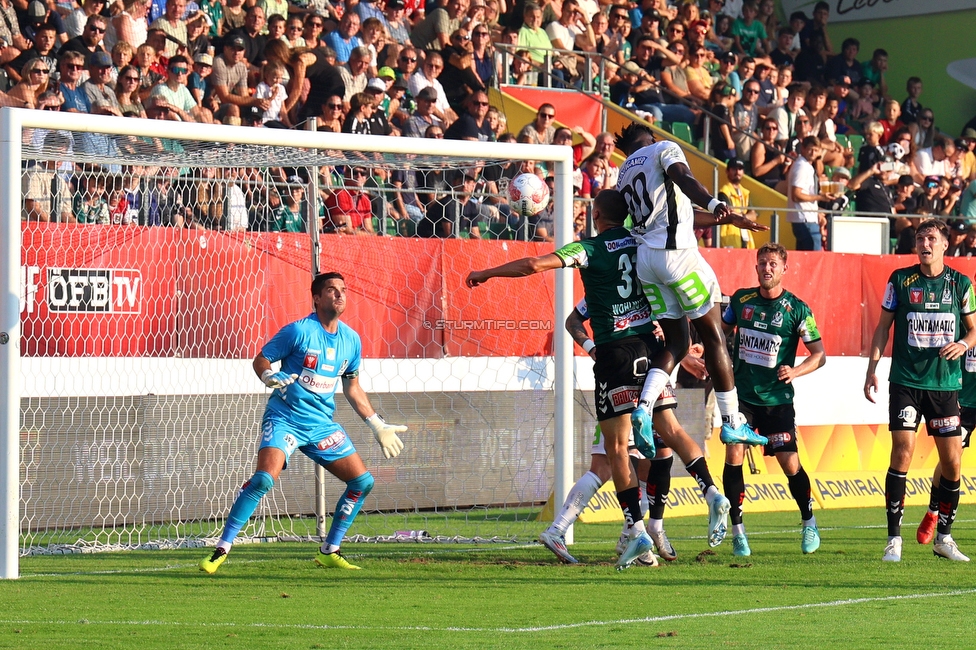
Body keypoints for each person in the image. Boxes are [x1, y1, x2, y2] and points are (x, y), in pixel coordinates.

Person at [465, 189, 732, 568]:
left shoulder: (587, 249)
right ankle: (710, 492)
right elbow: (681, 225)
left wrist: (486, 273)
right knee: (670, 431)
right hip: (650, 352)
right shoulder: (643, 241)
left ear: (595, 215)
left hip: (614, 354)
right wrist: (720, 217)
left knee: (616, 450)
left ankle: (637, 531)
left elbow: (533, 265)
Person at [200, 272, 407, 574]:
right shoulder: (298, 332)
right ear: (316, 298)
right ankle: (222, 547)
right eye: (332, 290)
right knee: (264, 479)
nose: (340, 295)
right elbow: (261, 359)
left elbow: (352, 387)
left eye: (343, 291)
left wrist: (376, 424)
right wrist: (268, 375)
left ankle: (330, 550)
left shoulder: (351, 341)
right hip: (285, 418)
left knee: (362, 482)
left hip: (321, 425)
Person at [613, 123, 770, 480]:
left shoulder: (624, 173)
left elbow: (677, 212)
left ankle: (644, 405)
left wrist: (722, 218)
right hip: (677, 255)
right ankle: (732, 422)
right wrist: (717, 202)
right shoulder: (662, 149)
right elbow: (683, 177)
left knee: (678, 342)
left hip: (647, 263)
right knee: (714, 336)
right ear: (650, 138)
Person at [864, 219, 976, 563]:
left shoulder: (960, 283)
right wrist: (872, 368)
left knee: (952, 463)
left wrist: (962, 343)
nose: (924, 243)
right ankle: (893, 540)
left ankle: (944, 537)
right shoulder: (900, 280)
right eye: (919, 238)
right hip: (906, 382)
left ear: (945, 244)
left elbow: (975, 331)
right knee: (902, 451)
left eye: (931, 238)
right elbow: (883, 327)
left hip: (944, 385)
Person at [721, 242, 826, 556]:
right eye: (762, 263)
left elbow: (819, 355)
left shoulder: (797, 309)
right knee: (733, 453)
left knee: (789, 462)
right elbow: (719, 331)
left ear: (784, 269)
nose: (767, 269)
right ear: (756, 267)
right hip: (742, 397)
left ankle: (809, 521)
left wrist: (795, 371)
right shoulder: (741, 300)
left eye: (773, 264)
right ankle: (738, 532)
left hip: (777, 400)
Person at [787, 136, 834, 251]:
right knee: (813, 259)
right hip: (805, 219)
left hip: (805, 218)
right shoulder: (802, 167)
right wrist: (820, 197)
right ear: (802, 149)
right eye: (810, 149)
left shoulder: (805, 165)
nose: (813, 153)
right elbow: (796, 195)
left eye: (816, 150)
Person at [717, 159, 757, 248]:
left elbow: (754, 215)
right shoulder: (724, 191)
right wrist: (745, 217)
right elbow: (729, 214)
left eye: (740, 169)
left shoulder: (745, 192)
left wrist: (741, 217)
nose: (737, 172)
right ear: (727, 171)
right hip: (729, 234)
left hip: (745, 233)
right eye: (734, 169)